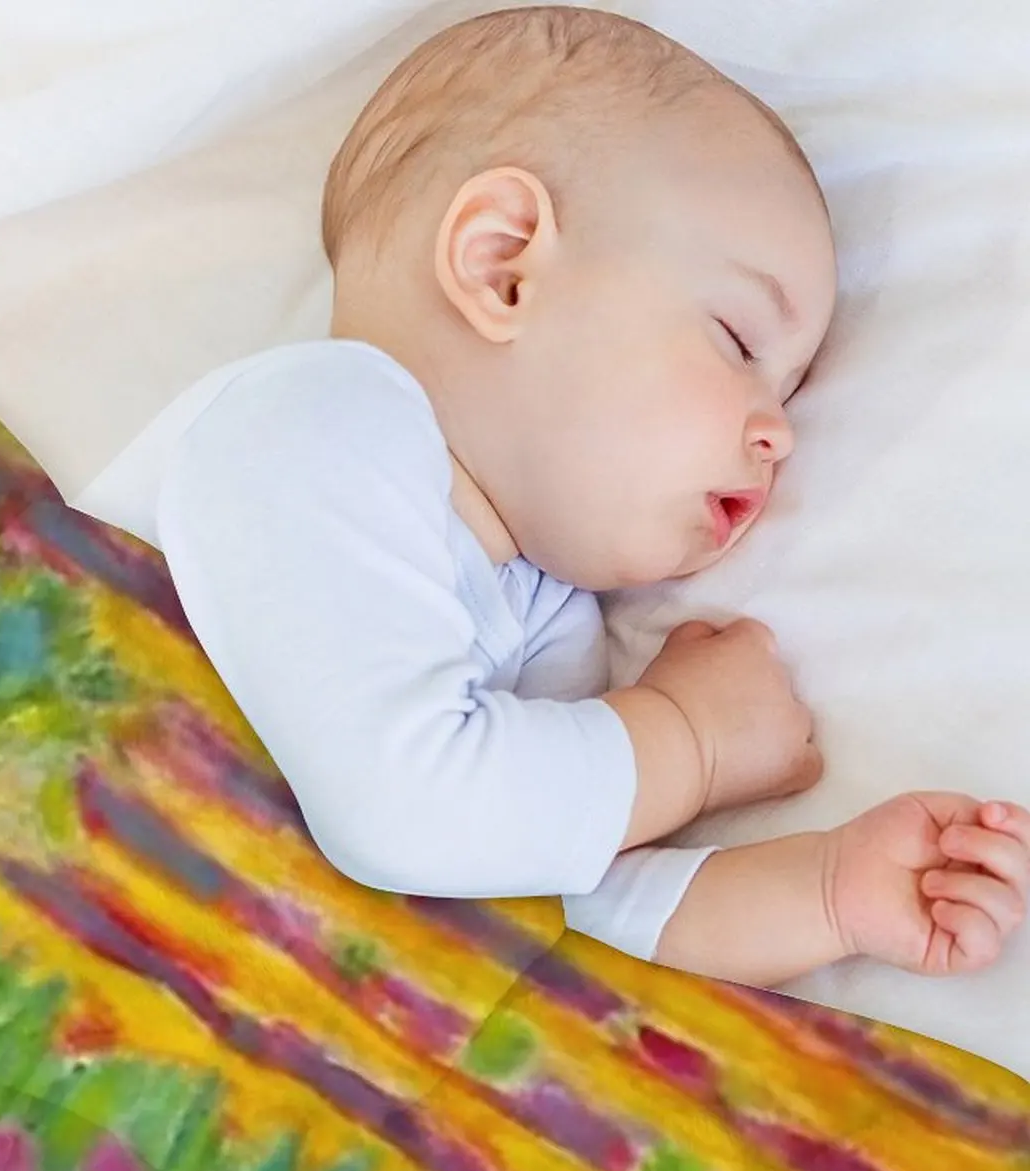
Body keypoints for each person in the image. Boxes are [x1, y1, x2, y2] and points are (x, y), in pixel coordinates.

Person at [78, 5, 1030, 990]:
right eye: (739, 342)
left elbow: (546, 904)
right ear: (503, 268)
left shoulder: (540, 612)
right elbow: (408, 809)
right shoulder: (311, 422)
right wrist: (687, 739)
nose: (777, 432)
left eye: (788, 393)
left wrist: (828, 893)